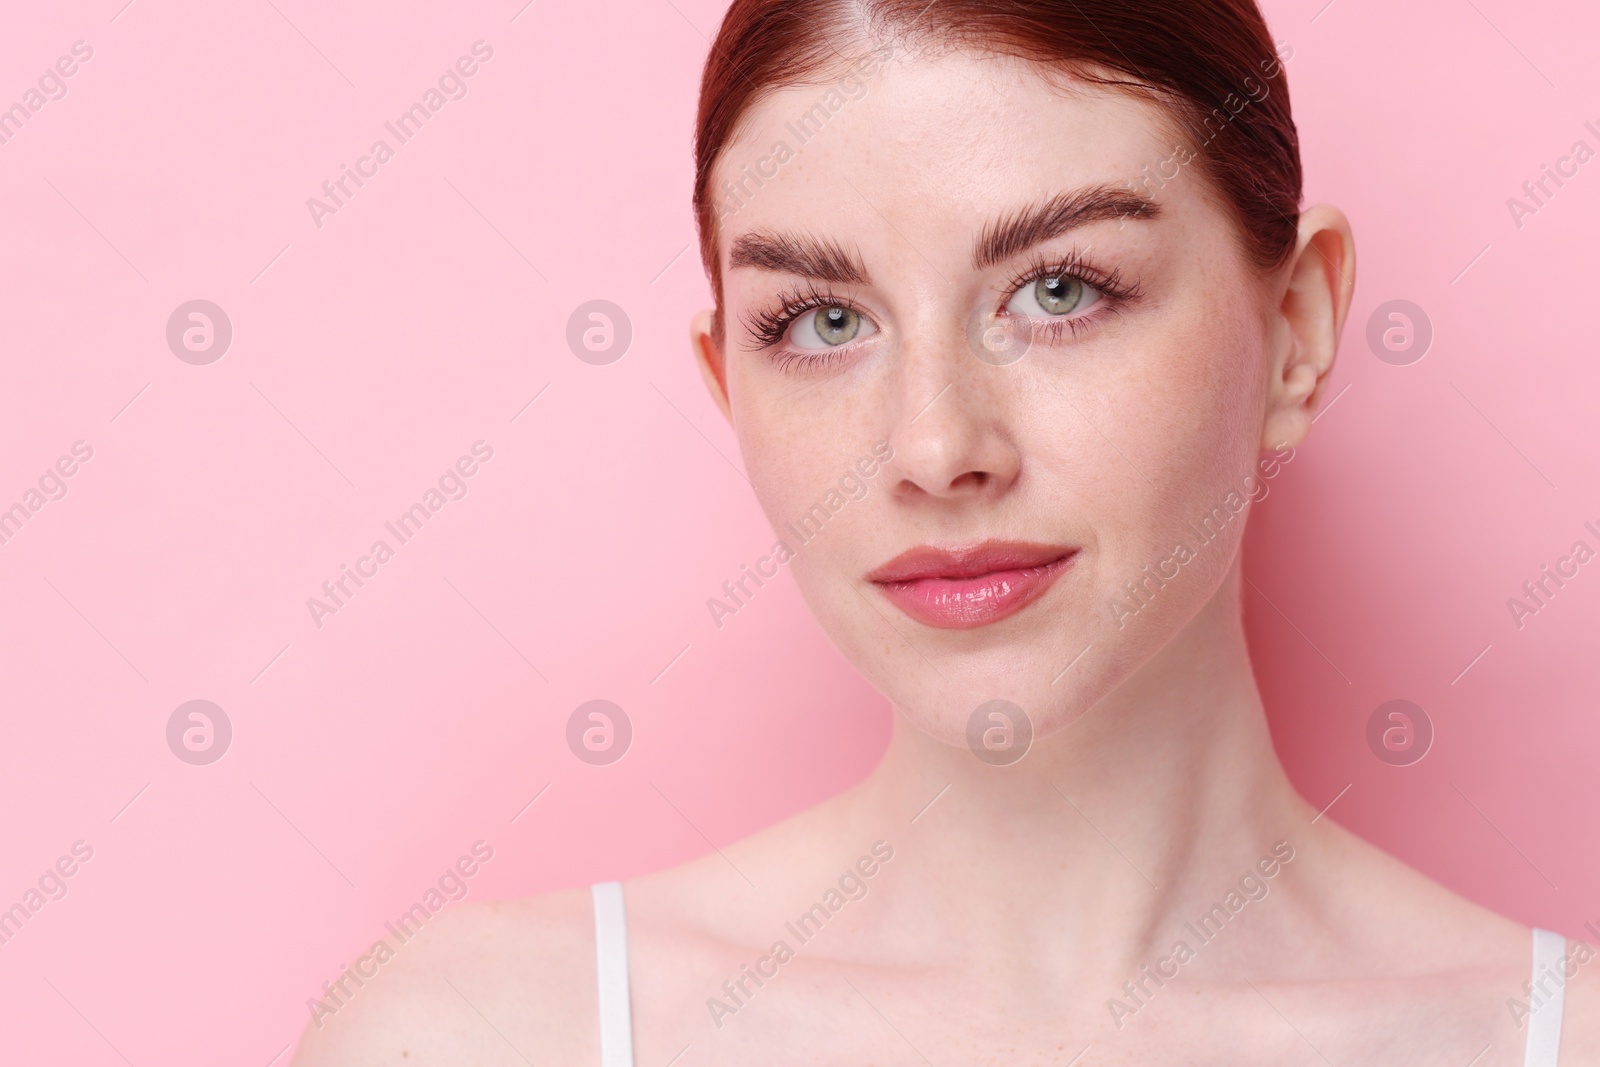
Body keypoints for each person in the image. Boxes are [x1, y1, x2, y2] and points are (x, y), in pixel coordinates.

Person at [292, 1, 1598, 1062]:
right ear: (728, 384)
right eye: (824, 322)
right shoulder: (485, 1038)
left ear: (1298, 331)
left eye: (1060, 288)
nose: (933, 450)